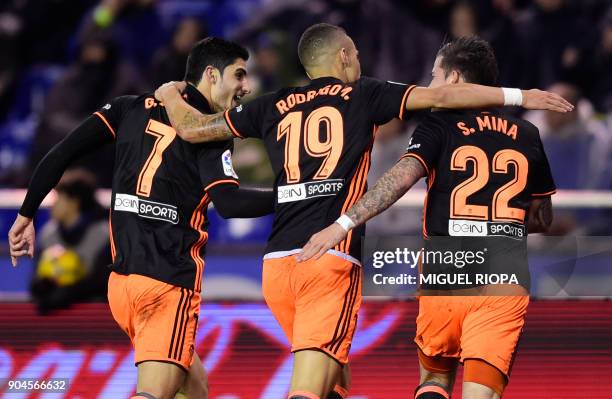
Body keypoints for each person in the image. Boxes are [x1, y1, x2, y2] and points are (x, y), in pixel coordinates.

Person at [154, 24, 571, 399]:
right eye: (355, 52)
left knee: (338, 380)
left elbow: (193, 129)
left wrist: (171, 93)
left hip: (278, 265)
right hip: (331, 260)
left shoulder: (271, 104)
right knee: (310, 385)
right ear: (344, 56)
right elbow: (445, 100)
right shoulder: (366, 94)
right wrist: (521, 96)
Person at [9, 37, 274, 399]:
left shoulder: (127, 109)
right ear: (211, 75)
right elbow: (227, 202)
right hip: (167, 285)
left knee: (195, 387)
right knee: (153, 394)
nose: (245, 85)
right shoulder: (209, 133)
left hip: (122, 286)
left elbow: (61, 153)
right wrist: (293, 197)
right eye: (239, 75)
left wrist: (26, 214)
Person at [297, 37, 558, 399]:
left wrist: (344, 223)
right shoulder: (528, 134)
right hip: (503, 274)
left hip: (444, 269)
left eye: (434, 75)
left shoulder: (437, 126)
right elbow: (543, 217)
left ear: (453, 78)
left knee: (434, 381)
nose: (430, 83)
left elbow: (400, 179)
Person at [30, 168, 111, 315]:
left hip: (95, 319)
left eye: (57, 198)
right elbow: (35, 283)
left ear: (74, 202)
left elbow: (103, 284)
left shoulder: (104, 235)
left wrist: (70, 292)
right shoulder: (47, 235)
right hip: (54, 320)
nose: (52, 205)